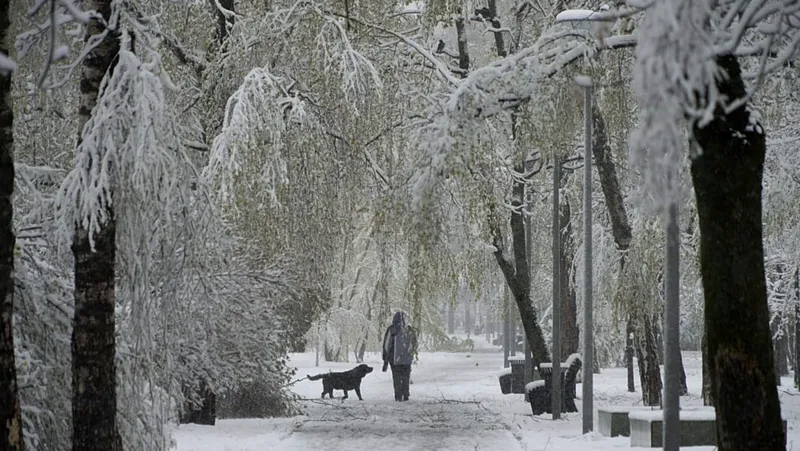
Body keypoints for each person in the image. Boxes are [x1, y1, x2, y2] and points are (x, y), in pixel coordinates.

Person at [382, 311, 417, 401]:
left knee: (396, 377)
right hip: (406, 359)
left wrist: (385, 357)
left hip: (394, 359)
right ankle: (406, 395)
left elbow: (387, 344)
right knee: (406, 377)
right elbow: (414, 344)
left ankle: (398, 396)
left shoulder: (392, 329)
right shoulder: (409, 329)